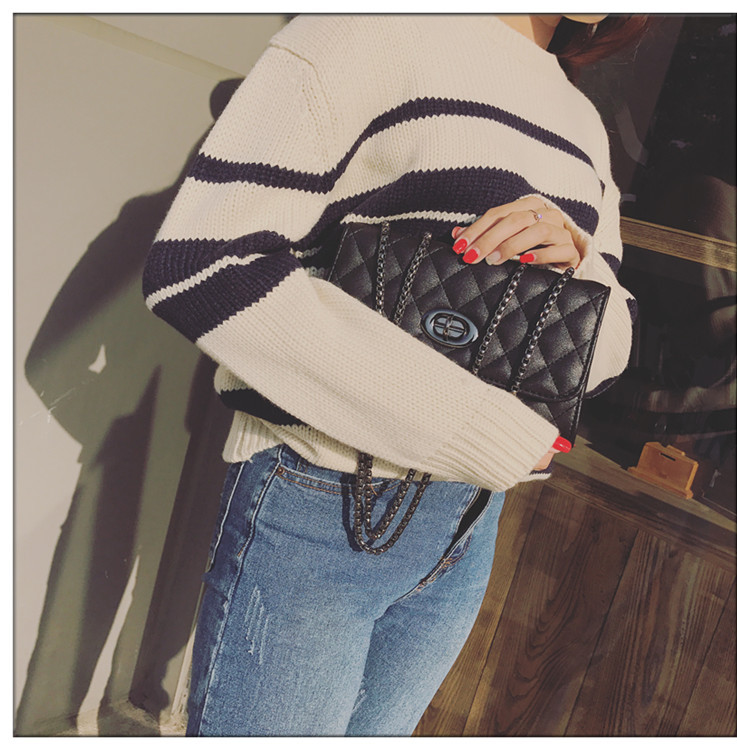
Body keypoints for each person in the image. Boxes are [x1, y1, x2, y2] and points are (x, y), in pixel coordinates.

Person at [142, 14, 645, 736]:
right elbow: (204, 264)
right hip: (322, 498)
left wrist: (579, 264)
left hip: (467, 522)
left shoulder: (580, 117)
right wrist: (476, 429)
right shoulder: (365, 32)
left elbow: (612, 346)